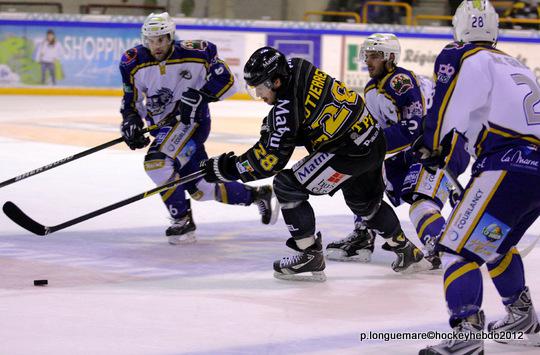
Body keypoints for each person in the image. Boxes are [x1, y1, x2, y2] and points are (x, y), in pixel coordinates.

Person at [201, 46, 429, 282]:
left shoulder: (287, 110)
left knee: (286, 184)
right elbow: (304, 113)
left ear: (277, 81)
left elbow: (269, 161)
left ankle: (308, 254)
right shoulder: (299, 65)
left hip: (347, 151)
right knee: (364, 203)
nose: (258, 94)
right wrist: (281, 129)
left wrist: (226, 167)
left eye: (260, 87)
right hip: (372, 138)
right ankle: (407, 250)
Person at [416, 1, 540, 353]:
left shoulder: (460, 55)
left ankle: (466, 335)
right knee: (495, 244)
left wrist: (430, 145)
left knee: (457, 250)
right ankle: (522, 317)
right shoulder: (515, 63)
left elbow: (445, 110)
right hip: (533, 168)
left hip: (507, 165)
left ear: (458, 28)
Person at [119, 12, 277, 245]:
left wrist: (199, 96)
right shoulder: (132, 62)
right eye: (151, 41)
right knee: (201, 188)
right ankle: (257, 195)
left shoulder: (197, 52)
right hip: (162, 128)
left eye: (161, 39)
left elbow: (228, 82)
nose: (157, 46)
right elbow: (130, 100)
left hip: (192, 123)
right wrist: (130, 121)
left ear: (170, 36)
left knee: (157, 163)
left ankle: (182, 221)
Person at [326, 33, 469, 270]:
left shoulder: (399, 81)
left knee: (421, 203)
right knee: (364, 176)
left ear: (390, 58)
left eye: (375, 56)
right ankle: (364, 235)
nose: (368, 61)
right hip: (419, 149)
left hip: (442, 146)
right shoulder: (373, 87)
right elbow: (379, 131)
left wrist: (368, 144)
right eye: (367, 55)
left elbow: (414, 128)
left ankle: (442, 247)